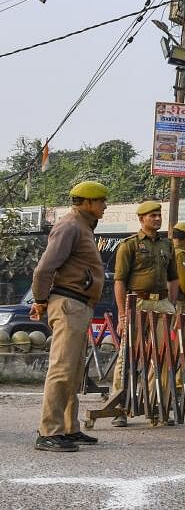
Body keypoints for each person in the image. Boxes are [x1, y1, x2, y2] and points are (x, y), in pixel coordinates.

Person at [30, 181, 108, 452]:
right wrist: (39, 300)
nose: (104, 205)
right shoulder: (70, 226)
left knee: (74, 372)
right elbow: (43, 270)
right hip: (68, 304)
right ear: (86, 202)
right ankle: (48, 431)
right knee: (62, 369)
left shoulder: (82, 226)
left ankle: (68, 428)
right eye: (100, 201)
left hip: (79, 304)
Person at [111, 200, 180, 427]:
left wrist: (171, 302)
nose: (157, 219)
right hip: (137, 302)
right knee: (128, 355)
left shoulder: (167, 245)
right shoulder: (128, 245)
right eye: (152, 216)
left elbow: (173, 278)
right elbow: (120, 282)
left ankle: (157, 407)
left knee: (164, 356)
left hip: (161, 303)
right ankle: (119, 407)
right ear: (141, 219)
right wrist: (122, 315)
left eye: (159, 215)